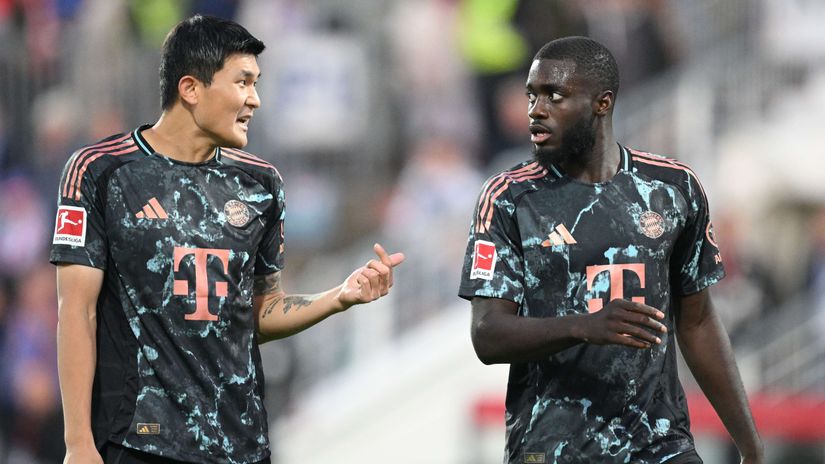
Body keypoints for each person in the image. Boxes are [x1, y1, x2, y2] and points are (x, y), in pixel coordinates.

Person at [50, 15, 404, 464]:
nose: (255, 100)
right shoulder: (99, 171)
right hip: (137, 439)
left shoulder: (260, 184)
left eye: (256, 84)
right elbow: (76, 310)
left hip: (240, 444)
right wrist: (78, 442)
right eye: (243, 82)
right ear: (191, 88)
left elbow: (261, 310)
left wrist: (340, 296)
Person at [458, 37, 762, 464]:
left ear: (602, 103)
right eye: (531, 95)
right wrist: (584, 325)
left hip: (661, 445)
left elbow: (699, 322)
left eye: (554, 95)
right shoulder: (509, 197)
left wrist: (750, 446)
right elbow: (487, 335)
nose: (535, 110)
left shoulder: (673, 189)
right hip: (555, 447)